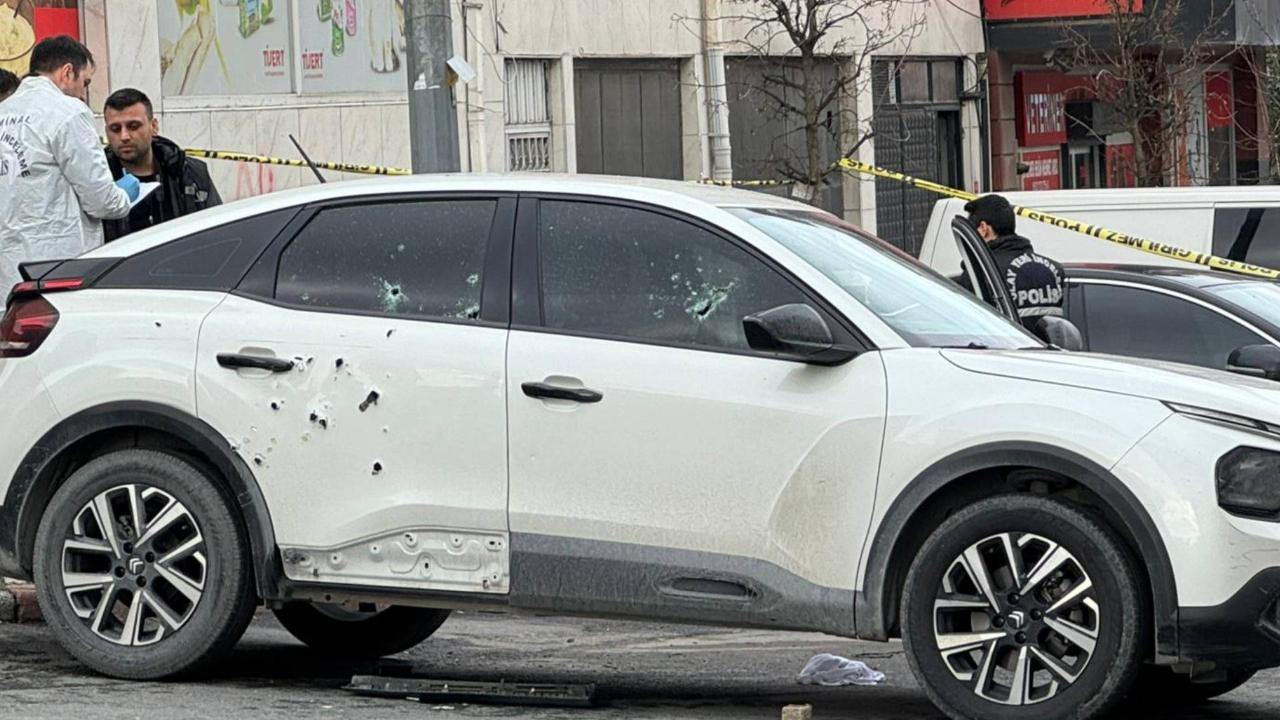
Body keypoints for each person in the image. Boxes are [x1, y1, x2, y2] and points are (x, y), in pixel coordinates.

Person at [0, 36, 138, 292]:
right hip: (57, 270)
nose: (84, 94)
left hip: (7, 273)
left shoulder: (4, 111)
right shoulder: (68, 112)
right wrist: (124, 196)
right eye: (85, 83)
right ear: (67, 72)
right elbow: (101, 201)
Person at [102, 88, 222, 242]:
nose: (124, 136)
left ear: (154, 126)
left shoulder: (190, 173)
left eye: (133, 126)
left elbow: (218, 233)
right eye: (115, 129)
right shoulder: (96, 180)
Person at [963, 194, 1066, 331]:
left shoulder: (980, 271)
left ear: (983, 228)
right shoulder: (1053, 270)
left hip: (1002, 350)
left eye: (973, 230)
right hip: (1049, 351)